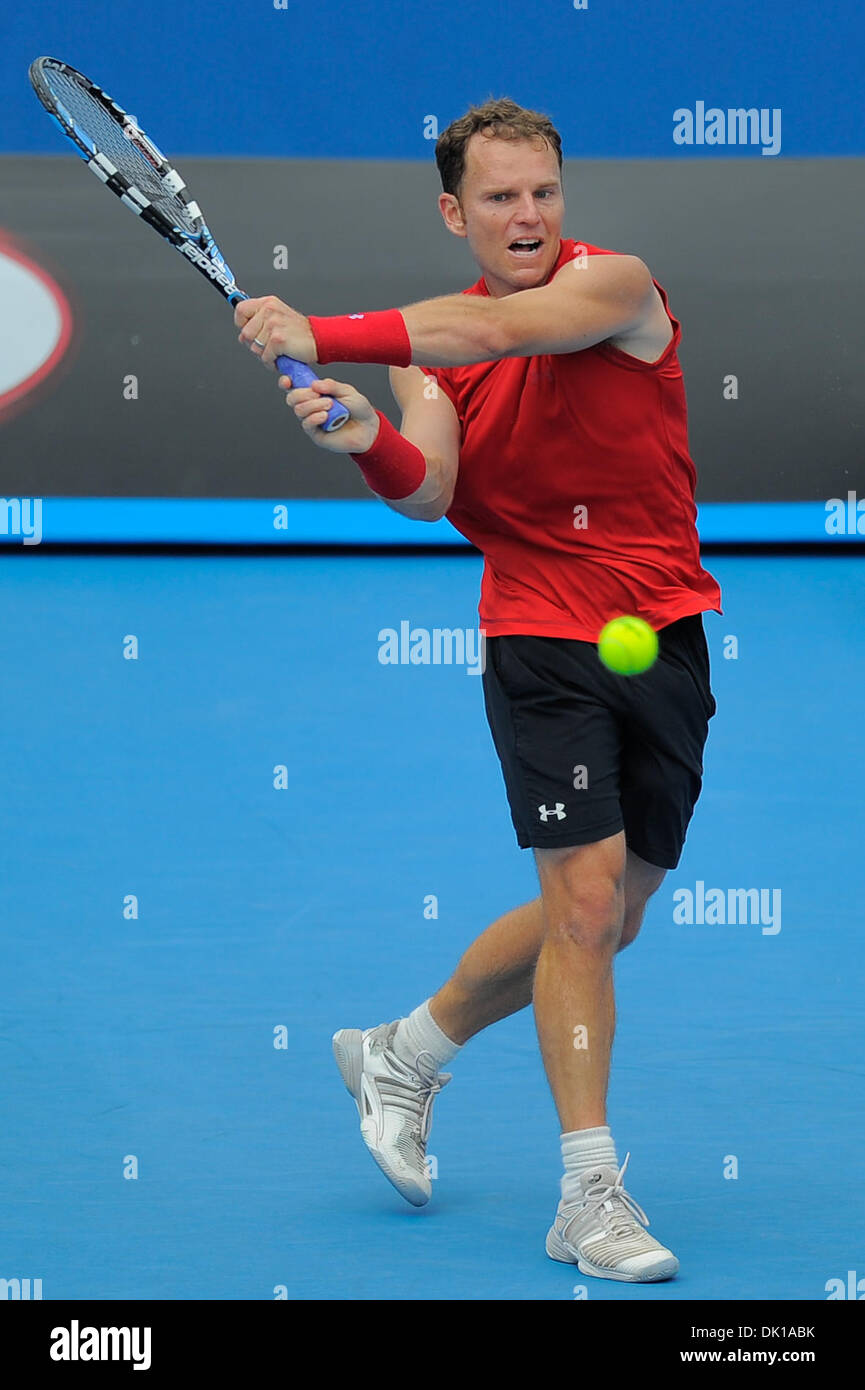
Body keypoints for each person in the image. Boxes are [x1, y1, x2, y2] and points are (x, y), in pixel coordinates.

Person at [234, 97, 721, 1284]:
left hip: (660, 630)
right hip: (538, 641)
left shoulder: (616, 289)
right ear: (454, 211)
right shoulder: (435, 358)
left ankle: (403, 1050)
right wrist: (364, 438)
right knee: (584, 906)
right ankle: (588, 1191)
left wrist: (327, 333)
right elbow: (431, 489)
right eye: (500, 197)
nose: (527, 216)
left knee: (616, 914)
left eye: (543, 191)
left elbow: (493, 336)